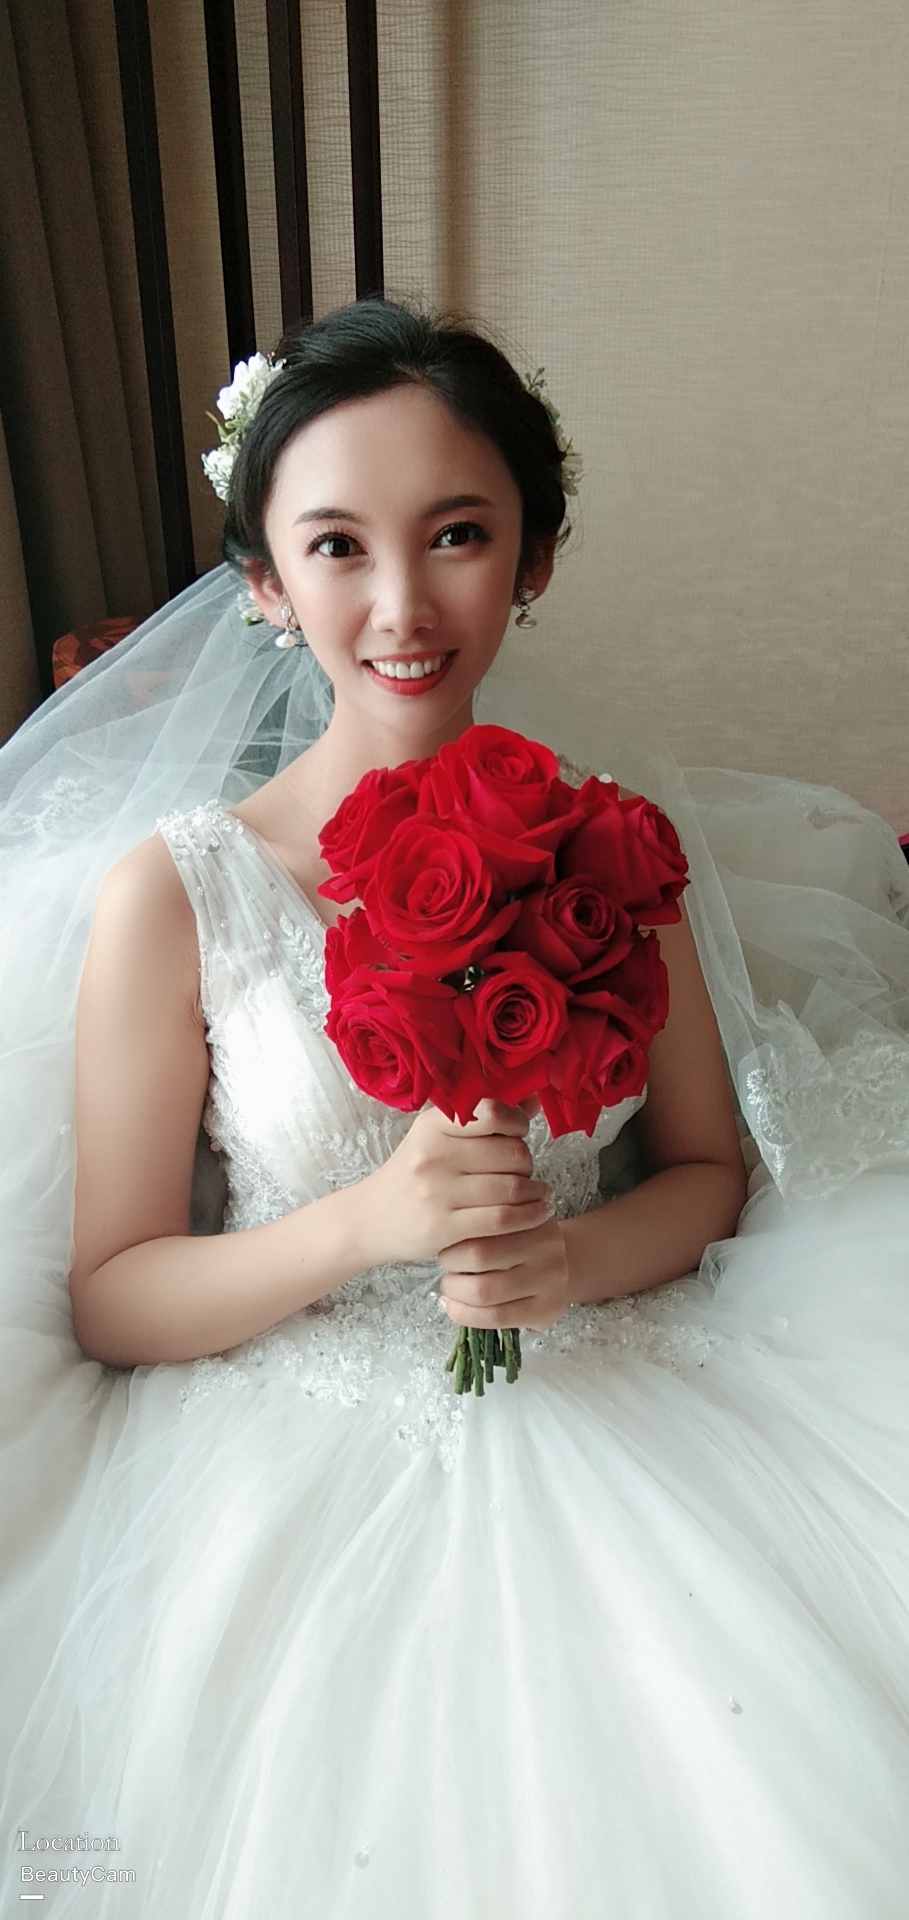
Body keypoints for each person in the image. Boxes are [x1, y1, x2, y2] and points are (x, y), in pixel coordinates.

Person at [1, 300, 908, 1918]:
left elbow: (703, 1172)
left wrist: (564, 1262)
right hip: (280, 1437)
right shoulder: (181, 892)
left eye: (457, 535)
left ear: (531, 558)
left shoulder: (611, 852)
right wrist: (365, 1226)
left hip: (613, 1386)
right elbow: (116, 1293)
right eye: (336, 547)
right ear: (265, 583)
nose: (403, 605)